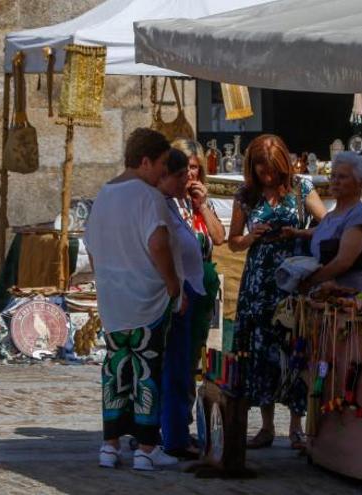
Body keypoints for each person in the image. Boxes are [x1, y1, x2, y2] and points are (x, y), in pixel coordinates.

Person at [84, 128, 182, 471]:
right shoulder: (148, 196)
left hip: (113, 299)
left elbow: (92, 247)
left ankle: (109, 446)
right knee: (147, 370)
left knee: (115, 370)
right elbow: (157, 243)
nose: (164, 174)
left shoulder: (104, 194)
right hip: (146, 298)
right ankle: (145, 447)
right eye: (162, 166)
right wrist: (172, 282)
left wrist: (106, 281)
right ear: (145, 161)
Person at [228, 134, 326, 450]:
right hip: (259, 282)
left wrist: (298, 232)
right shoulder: (246, 195)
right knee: (260, 349)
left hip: (292, 278)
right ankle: (267, 426)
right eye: (260, 169)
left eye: (271, 169)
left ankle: (296, 427)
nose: (266, 175)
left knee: (292, 345)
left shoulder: (301, 188)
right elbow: (233, 241)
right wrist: (250, 237)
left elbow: (326, 225)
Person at [169, 139, 225, 434]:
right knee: (178, 356)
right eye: (185, 168)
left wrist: (202, 205)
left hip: (203, 287)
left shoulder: (202, 201)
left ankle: (187, 419)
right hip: (179, 286)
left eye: (194, 167)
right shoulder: (168, 201)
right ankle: (174, 421)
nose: (190, 174)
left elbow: (218, 238)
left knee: (196, 357)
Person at [157, 149, 205, 459]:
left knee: (182, 366)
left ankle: (176, 432)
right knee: (174, 368)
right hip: (176, 293)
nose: (186, 182)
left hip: (187, 288)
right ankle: (173, 436)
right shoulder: (159, 204)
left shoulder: (176, 203)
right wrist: (176, 289)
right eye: (182, 176)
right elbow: (161, 249)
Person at [294, 152, 362, 293]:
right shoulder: (332, 215)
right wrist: (296, 233)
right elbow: (324, 231)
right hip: (327, 297)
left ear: (360, 183)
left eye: (342, 177)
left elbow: (343, 261)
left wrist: (310, 281)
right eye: (333, 176)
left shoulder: (358, 216)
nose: (335, 181)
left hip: (349, 298)